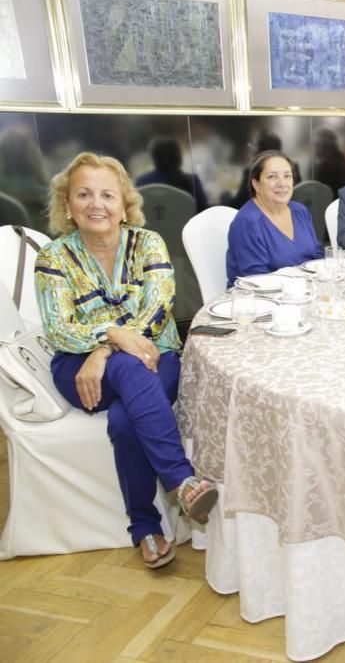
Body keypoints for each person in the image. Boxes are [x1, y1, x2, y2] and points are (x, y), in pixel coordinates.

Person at [33, 152, 218, 568]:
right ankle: (182, 480)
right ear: (67, 205)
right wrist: (112, 335)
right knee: (127, 366)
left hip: (156, 355)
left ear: (124, 205)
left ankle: (145, 527)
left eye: (107, 195)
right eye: (84, 194)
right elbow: (59, 328)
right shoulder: (53, 258)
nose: (96, 204)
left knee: (123, 420)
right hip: (78, 370)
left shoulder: (148, 243)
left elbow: (158, 310)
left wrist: (103, 348)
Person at [226, 150, 322, 287]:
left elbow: (317, 256)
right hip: (258, 301)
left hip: (303, 292)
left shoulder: (300, 211)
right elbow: (257, 280)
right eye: (272, 177)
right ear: (256, 184)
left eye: (287, 176)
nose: (282, 183)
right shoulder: (247, 222)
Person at [228, 131, 302, 209]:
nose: (252, 149)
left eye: (254, 145)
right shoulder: (294, 167)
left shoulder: (252, 171)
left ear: (259, 150)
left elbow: (237, 204)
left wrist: (225, 196)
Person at [135, 136, 208, 212]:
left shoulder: (141, 183)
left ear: (154, 158)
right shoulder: (192, 181)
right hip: (186, 224)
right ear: (178, 157)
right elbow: (203, 211)